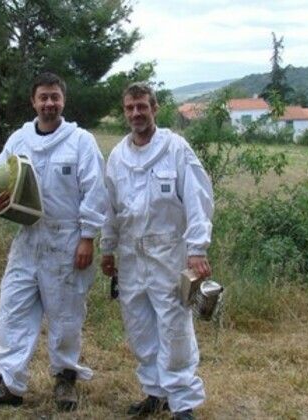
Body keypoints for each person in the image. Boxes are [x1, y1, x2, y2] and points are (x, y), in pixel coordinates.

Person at [0, 72, 107, 411]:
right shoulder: (19, 139)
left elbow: (95, 192)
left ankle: (65, 379)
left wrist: (87, 238)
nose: (49, 103)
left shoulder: (80, 141)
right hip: (28, 240)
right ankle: (9, 383)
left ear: (63, 101)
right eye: (43, 97)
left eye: (54, 97)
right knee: (12, 310)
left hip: (67, 239)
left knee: (66, 316)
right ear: (33, 101)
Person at [100, 83, 214, 420]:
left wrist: (197, 249)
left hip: (169, 253)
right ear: (125, 112)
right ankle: (155, 392)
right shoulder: (118, 156)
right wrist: (107, 248)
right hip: (131, 255)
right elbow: (110, 207)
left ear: (155, 108)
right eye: (130, 108)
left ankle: (183, 403)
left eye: (142, 107)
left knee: (175, 327)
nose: (136, 113)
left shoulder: (176, 149)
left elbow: (198, 199)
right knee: (140, 328)